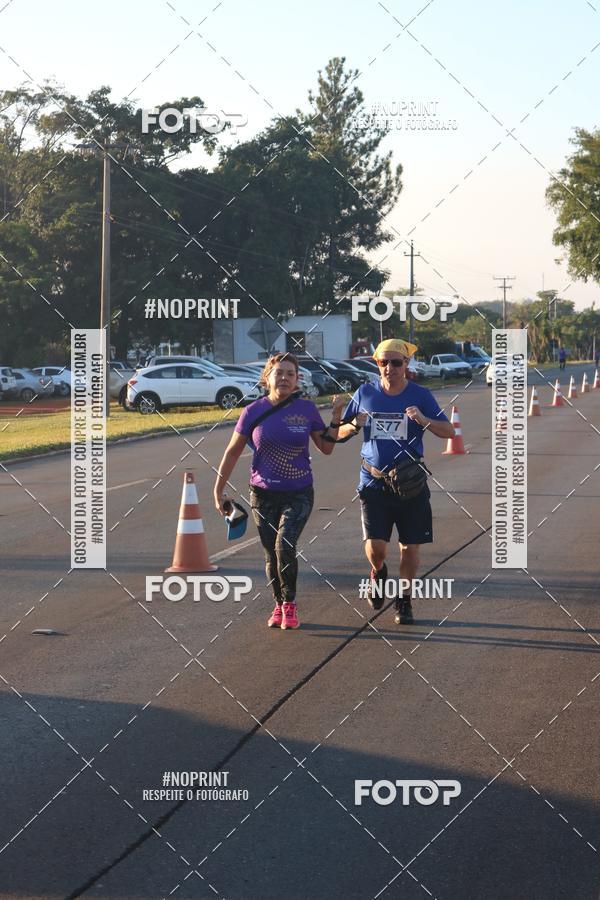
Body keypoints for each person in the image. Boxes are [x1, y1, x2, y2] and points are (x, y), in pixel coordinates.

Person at [214, 352, 346, 631]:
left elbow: (326, 447)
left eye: (290, 373)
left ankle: (290, 603)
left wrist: (335, 418)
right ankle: (277, 604)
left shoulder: (307, 410)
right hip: (262, 494)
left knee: (283, 545)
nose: (284, 377)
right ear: (267, 378)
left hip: (299, 492)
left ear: (297, 380)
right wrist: (219, 489)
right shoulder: (252, 411)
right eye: (279, 372)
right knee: (270, 554)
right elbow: (232, 452)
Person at [337, 339, 454, 625]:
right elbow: (337, 433)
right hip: (373, 481)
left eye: (396, 362)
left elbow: (449, 431)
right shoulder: (365, 393)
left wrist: (423, 419)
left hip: (409, 482)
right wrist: (353, 425)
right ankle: (378, 572)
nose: (389, 368)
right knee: (376, 546)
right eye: (383, 362)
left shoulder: (421, 395)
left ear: (406, 364)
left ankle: (404, 598)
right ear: (377, 365)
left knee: (409, 547)